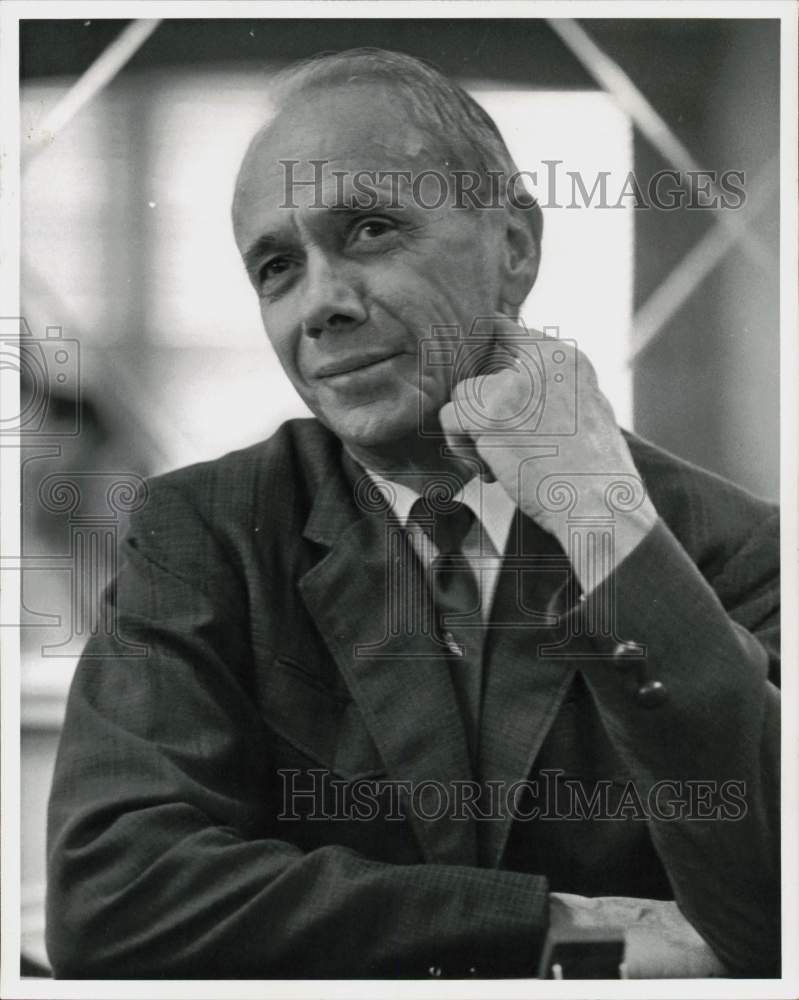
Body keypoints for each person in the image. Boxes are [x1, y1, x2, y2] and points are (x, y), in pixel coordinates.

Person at [45, 48, 780, 979]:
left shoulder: (728, 544)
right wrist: (544, 925)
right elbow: (115, 897)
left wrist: (600, 515)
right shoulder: (209, 529)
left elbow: (779, 914)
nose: (320, 305)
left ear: (514, 245)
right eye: (277, 266)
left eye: (370, 230)